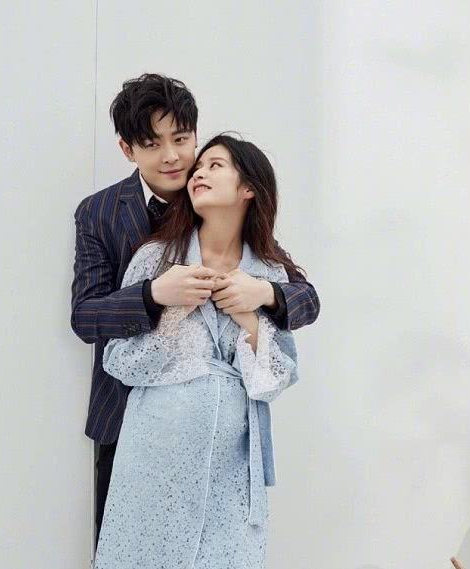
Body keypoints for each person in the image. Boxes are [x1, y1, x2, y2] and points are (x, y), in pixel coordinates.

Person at [70, 74, 320, 544]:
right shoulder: (100, 213)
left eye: (182, 140)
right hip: (127, 415)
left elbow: (305, 297)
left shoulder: (214, 192)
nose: (173, 157)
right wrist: (153, 295)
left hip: (226, 435)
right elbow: (85, 317)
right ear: (127, 149)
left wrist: (263, 294)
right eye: (152, 144)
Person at [93, 134, 301, 568]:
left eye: (215, 165)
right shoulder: (156, 259)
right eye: (199, 166)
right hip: (154, 457)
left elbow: (278, 378)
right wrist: (172, 309)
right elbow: (117, 361)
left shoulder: (269, 274)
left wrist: (250, 318)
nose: (198, 172)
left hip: (232, 464)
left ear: (249, 188)